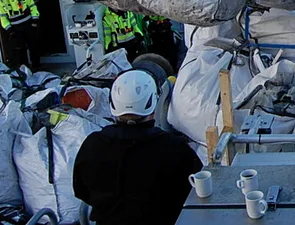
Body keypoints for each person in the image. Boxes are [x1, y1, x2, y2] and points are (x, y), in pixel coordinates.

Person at [73, 70, 203, 225]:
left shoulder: (92, 145)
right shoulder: (176, 149)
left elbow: (81, 191)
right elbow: (198, 190)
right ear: (154, 104)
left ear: (113, 105)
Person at [0, 0, 41, 70]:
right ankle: (24, 69)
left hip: (28, 24)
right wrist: (9, 28)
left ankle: (37, 67)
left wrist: (35, 20)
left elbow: (32, 6)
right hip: (15, 28)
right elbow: (3, 16)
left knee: (34, 47)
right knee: (20, 49)